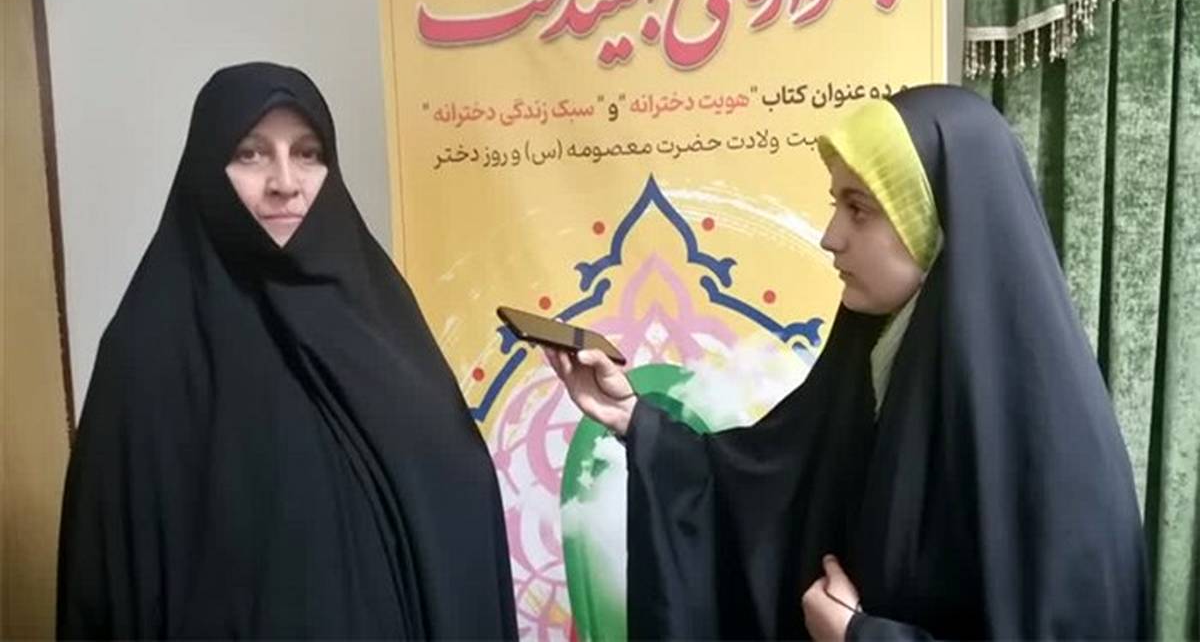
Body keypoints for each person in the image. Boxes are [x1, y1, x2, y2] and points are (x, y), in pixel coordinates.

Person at [547, 85, 1147, 639]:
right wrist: (635, 421)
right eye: (837, 205)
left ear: (937, 221)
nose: (830, 236)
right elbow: (765, 489)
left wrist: (859, 636)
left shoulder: (1048, 435)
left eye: (859, 209)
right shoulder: (875, 357)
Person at [58, 62, 517, 639]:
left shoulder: (381, 323)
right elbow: (107, 578)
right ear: (207, 168)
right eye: (250, 153)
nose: (285, 181)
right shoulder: (146, 353)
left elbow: (458, 503)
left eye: (307, 153)